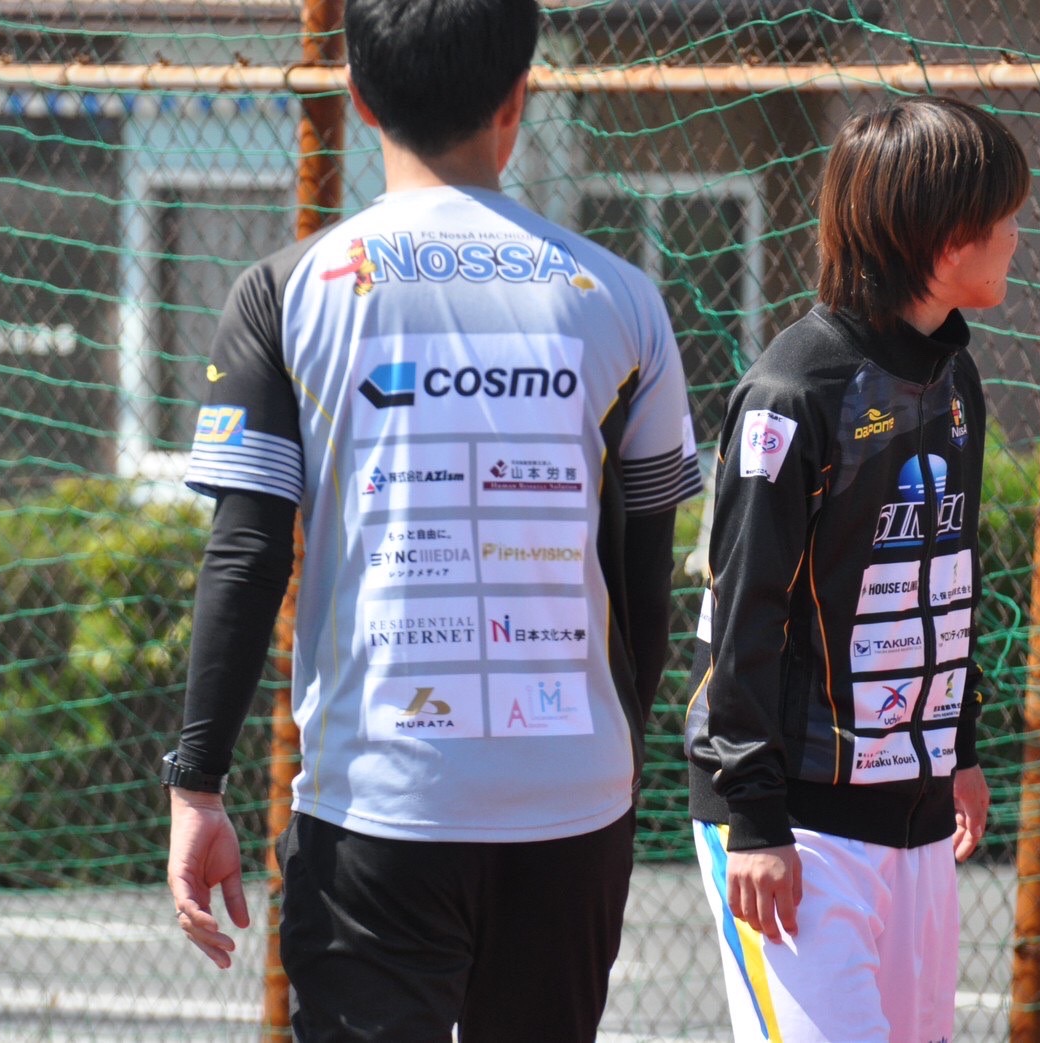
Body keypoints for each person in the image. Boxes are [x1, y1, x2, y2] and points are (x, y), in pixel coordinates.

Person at [162, 0, 705, 1039]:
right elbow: (645, 565)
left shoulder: (286, 291)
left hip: (376, 802)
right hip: (575, 799)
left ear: (358, 97)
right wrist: (614, 751)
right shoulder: (623, 296)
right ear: (518, 98)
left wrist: (197, 785)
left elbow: (246, 552)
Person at [684, 94, 1030, 1043]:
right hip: (796, 827)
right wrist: (755, 820)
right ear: (945, 235)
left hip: (915, 816)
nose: (1018, 232)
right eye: (1004, 213)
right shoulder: (793, 391)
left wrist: (957, 750)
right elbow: (740, 618)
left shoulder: (953, 378)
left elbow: (943, 580)